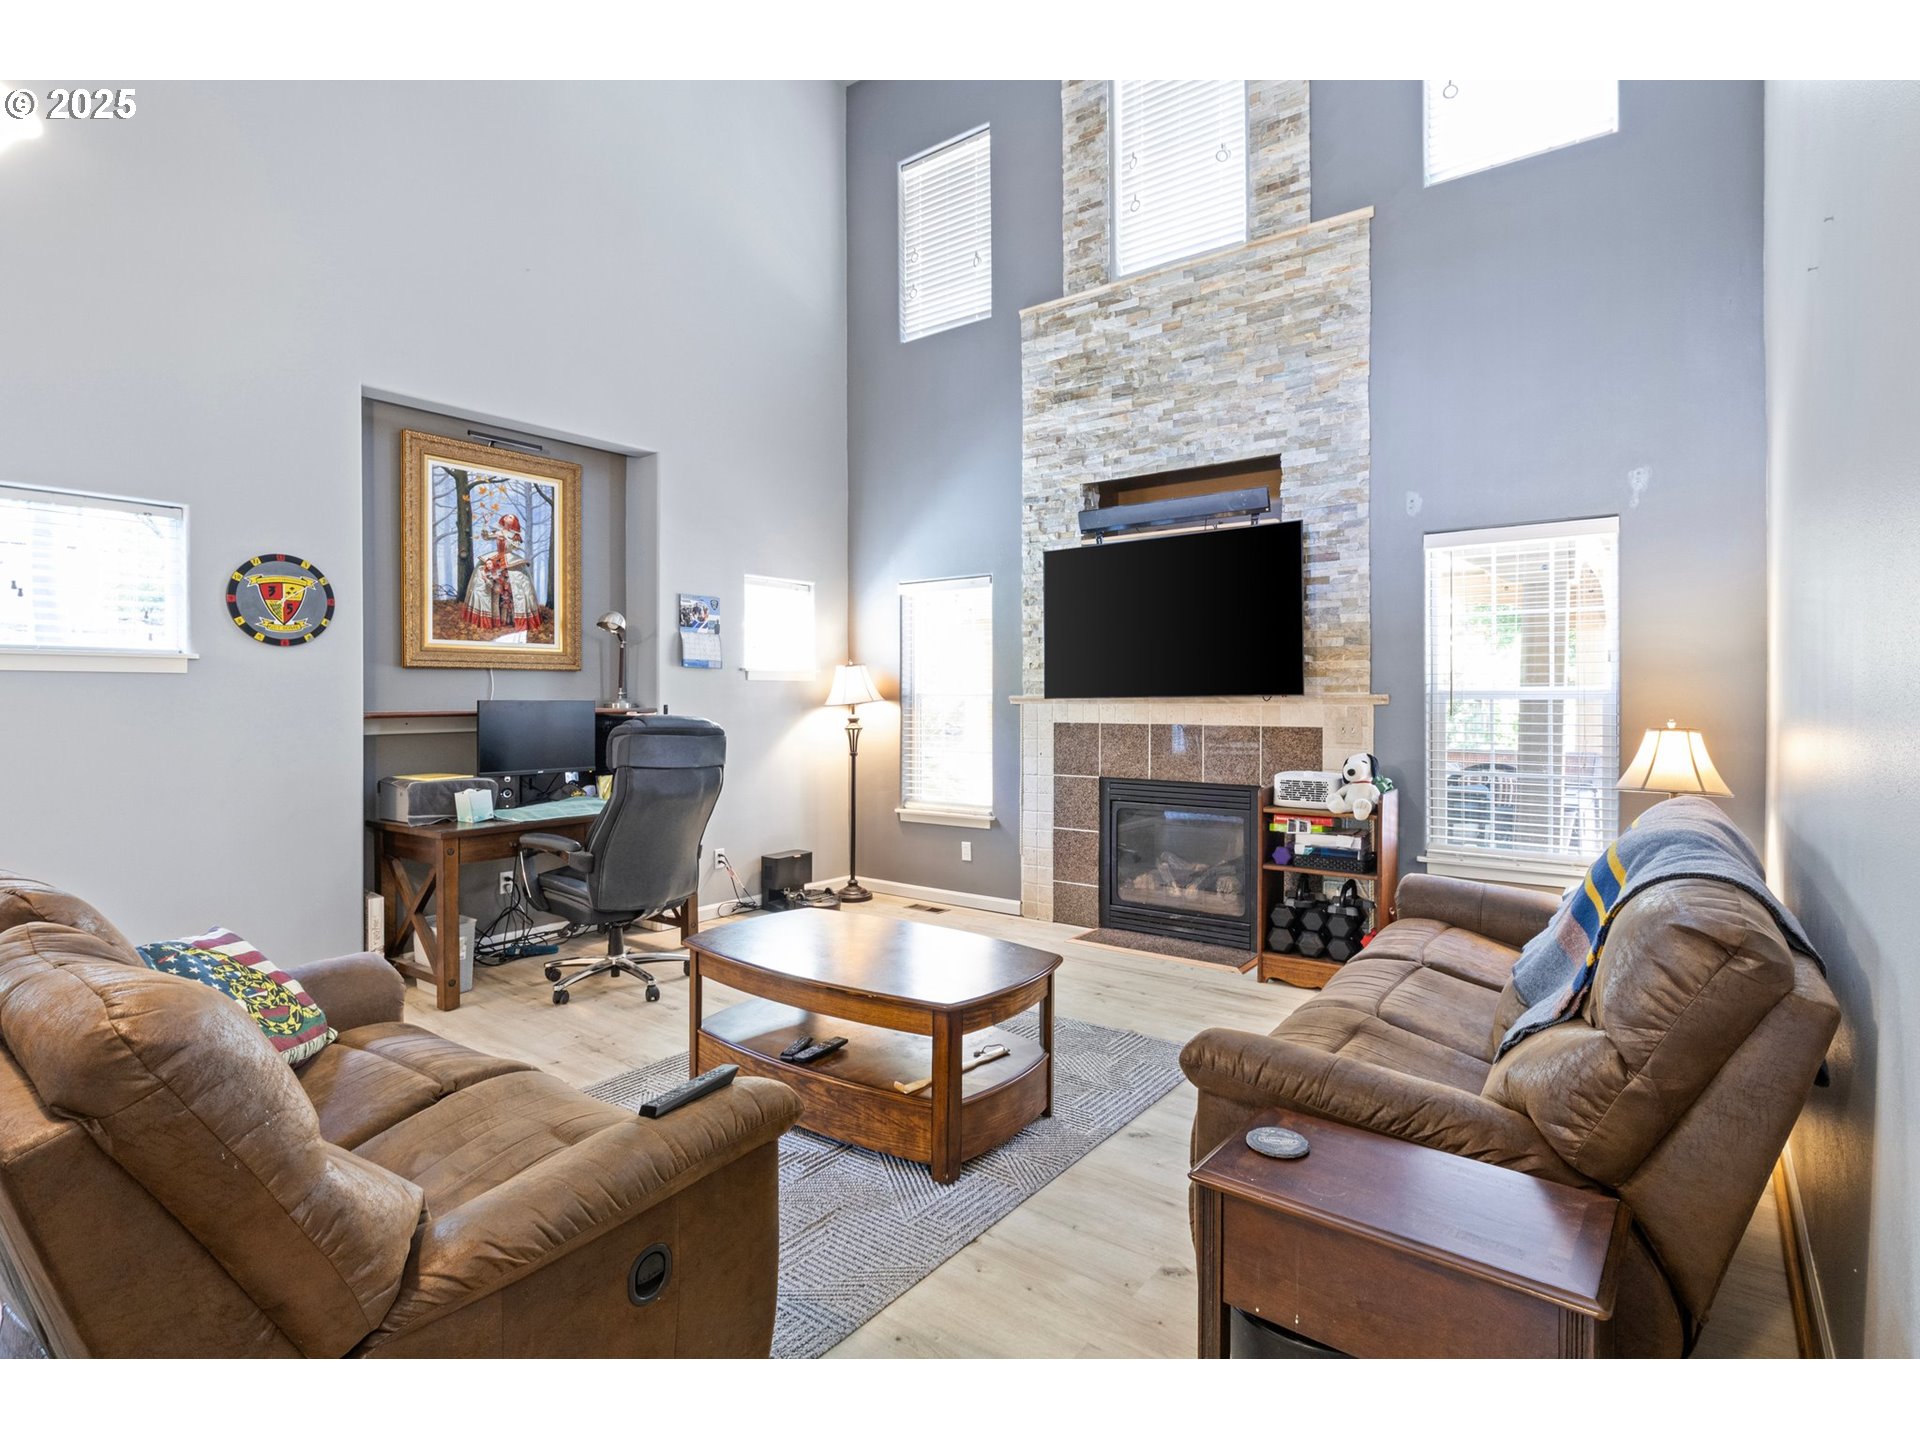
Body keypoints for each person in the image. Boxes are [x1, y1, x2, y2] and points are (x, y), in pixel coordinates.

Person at [460, 513, 542, 632]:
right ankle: (491, 619)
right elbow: (486, 536)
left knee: (518, 582)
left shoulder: (515, 535)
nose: (507, 517)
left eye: (511, 517)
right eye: (506, 516)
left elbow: (516, 546)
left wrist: (505, 537)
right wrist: (486, 522)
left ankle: (515, 619)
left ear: (514, 521)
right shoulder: (498, 531)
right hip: (497, 557)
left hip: (510, 558)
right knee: (484, 576)